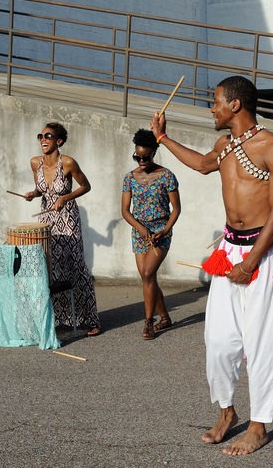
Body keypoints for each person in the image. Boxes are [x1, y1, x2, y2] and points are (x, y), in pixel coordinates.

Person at [150, 75, 273, 456]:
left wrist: (250, 263)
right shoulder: (225, 144)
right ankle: (227, 411)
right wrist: (163, 139)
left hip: (263, 254)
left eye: (214, 101)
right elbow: (201, 165)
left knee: (261, 343)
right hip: (230, 251)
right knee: (218, 341)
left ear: (235, 105)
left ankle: (260, 424)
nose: (210, 108)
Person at [23, 122, 102, 336]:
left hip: (67, 219)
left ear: (58, 141)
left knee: (76, 267)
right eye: (41, 136)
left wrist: (65, 197)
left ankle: (91, 319)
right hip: (47, 220)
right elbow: (41, 190)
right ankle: (64, 318)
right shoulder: (34, 163)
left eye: (48, 136)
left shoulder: (67, 162)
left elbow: (86, 186)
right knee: (53, 268)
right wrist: (33, 193)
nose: (43, 140)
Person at [120, 128, 181, 340]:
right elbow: (125, 211)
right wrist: (140, 228)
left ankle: (148, 323)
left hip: (160, 231)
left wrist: (164, 230)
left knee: (147, 274)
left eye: (145, 157)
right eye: (137, 157)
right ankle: (165, 316)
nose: (141, 161)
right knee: (148, 277)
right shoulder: (130, 178)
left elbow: (176, 209)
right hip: (139, 231)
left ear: (154, 152)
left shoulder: (166, 176)